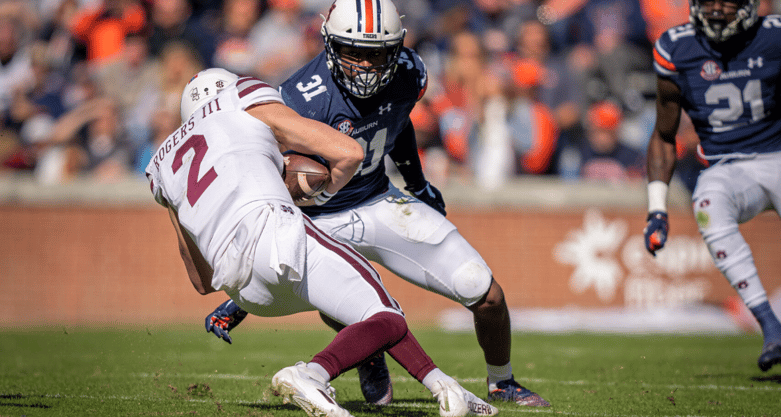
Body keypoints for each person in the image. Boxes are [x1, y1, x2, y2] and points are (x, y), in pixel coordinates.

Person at [205, 0, 551, 408]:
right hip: (316, 220)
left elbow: (397, 122)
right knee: (357, 302)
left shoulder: (409, 72)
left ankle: (502, 382)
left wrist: (418, 184)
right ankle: (367, 354)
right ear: (330, 45)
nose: (367, 65)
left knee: (484, 291)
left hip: (377, 197)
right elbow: (269, 186)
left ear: (397, 47)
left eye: (378, 53)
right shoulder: (299, 97)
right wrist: (241, 299)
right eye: (354, 52)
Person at [147, 68, 498, 417]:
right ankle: (311, 374)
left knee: (375, 315)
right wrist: (317, 196)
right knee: (385, 314)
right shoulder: (240, 97)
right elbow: (350, 153)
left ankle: (445, 387)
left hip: (245, 291)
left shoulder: (161, 163)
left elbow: (201, 280)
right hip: (274, 232)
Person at [643, 0, 781, 372]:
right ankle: (772, 327)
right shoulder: (677, 47)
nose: (715, 9)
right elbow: (664, 134)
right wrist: (656, 208)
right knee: (707, 204)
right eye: (707, 0)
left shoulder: (776, 36)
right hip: (725, 165)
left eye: (726, 0)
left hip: (780, 155)